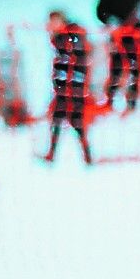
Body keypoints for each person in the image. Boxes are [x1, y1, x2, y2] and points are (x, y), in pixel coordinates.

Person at [42, 10, 93, 164]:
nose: (51, 25)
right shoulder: (60, 39)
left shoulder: (73, 35)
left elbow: (78, 52)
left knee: (76, 123)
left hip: (74, 88)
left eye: (54, 22)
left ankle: (87, 156)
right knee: (57, 121)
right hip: (63, 89)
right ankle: (52, 154)